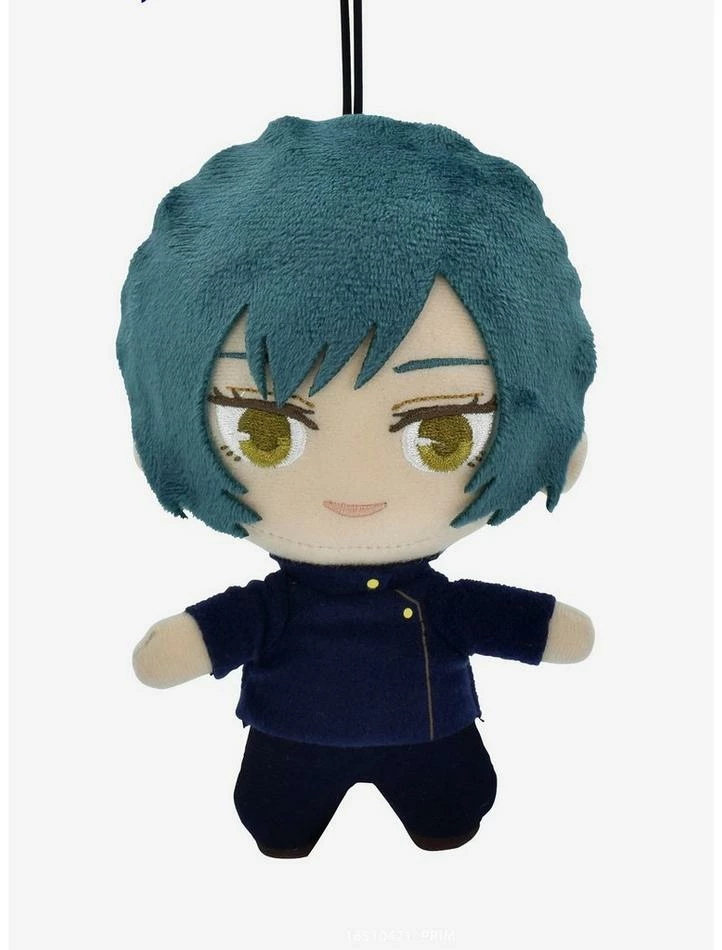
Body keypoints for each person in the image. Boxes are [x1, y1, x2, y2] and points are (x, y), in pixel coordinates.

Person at [119, 114, 596, 857]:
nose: (354, 486)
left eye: (442, 434)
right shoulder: (280, 606)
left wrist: (542, 629)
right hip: (292, 745)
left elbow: (499, 619)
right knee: (280, 815)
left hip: (428, 741)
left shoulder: (433, 604)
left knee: (450, 804)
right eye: (265, 433)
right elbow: (230, 627)